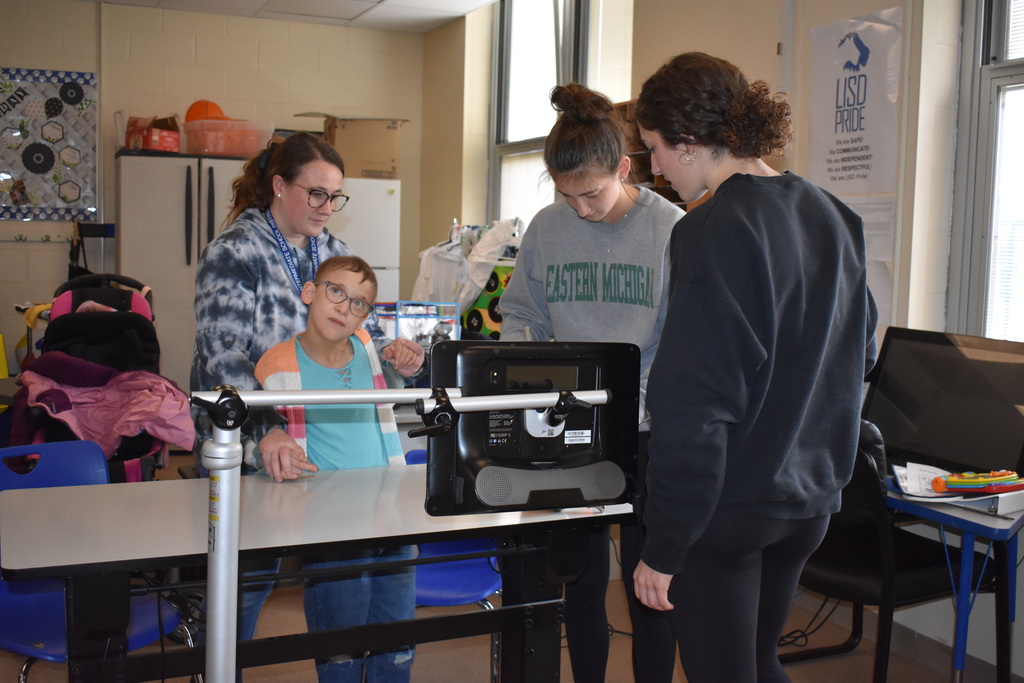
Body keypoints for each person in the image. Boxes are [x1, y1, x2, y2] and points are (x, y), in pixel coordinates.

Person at [631, 52, 878, 683]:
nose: (653, 168)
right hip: (810, 502)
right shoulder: (832, 214)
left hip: (730, 510)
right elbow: (861, 354)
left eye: (655, 148)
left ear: (689, 143)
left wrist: (664, 547)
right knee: (757, 665)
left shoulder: (709, 228)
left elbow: (692, 406)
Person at [190, 132, 424, 654]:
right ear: (278, 185)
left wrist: (395, 355)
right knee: (247, 580)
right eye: (315, 193)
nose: (327, 206)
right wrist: (266, 431)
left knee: (336, 563)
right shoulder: (234, 251)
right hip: (251, 436)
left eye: (335, 196)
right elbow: (222, 356)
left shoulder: (337, 253)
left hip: (327, 432)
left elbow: (363, 335)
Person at [500, 83, 684, 683]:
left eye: (593, 193)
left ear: (624, 168)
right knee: (575, 580)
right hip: (568, 427)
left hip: (646, 429)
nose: (581, 207)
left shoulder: (673, 230)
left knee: (646, 587)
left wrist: (634, 399)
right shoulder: (549, 229)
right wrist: (529, 374)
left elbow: (684, 338)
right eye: (566, 194)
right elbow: (521, 315)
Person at [255, 255, 419, 682]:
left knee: (396, 644)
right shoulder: (276, 365)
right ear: (310, 292)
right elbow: (256, 433)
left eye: (360, 303)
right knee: (338, 649)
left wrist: (408, 363)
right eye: (336, 292)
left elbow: (394, 384)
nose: (346, 308)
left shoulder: (368, 349)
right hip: (330, 526)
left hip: (390, 519)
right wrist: (267, 440)